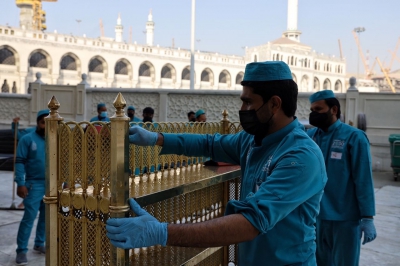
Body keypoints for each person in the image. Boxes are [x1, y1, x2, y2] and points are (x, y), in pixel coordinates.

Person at [106, 61, 327, 265]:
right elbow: (209, 144)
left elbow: (250, 223)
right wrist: (158, 138)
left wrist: (162, 233)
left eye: (248, 102)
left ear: (275, 104)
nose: (243, 109)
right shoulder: (252, 139)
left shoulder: (300, 156)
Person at [307, 90, 376, 266]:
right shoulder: (311, 137)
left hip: (345, 220)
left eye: (318, 109)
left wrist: (367, 217)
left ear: (334, 110)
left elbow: (364, 180)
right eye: (312, 109)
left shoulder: (354, 137)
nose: (314, 113)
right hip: (317, 218)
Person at [14, 109, 49, 265]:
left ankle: (39, 243)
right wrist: (20, 183)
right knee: (29, 218)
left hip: (52, 186)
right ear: (38, 123)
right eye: (43, 122)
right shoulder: (28, 139)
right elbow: (20, 162)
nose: (46, 126)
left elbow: (64, 162)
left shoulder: (57, 140)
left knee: (45, 218)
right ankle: (21, 250)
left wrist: (66, 182)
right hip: (34, 185)